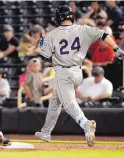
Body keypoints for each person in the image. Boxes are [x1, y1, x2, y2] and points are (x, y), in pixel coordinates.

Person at [35, 6, 124, 147]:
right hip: (78, 72)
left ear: (59, 18)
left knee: (69, 103)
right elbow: (104, 35)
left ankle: (86, 124)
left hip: (63, 73)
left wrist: (41, 44)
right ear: (71, 16)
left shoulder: (52, 34)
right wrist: (116, 49)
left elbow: (44, 56)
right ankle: (46, 132)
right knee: (55, 103)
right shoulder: (83, 29)